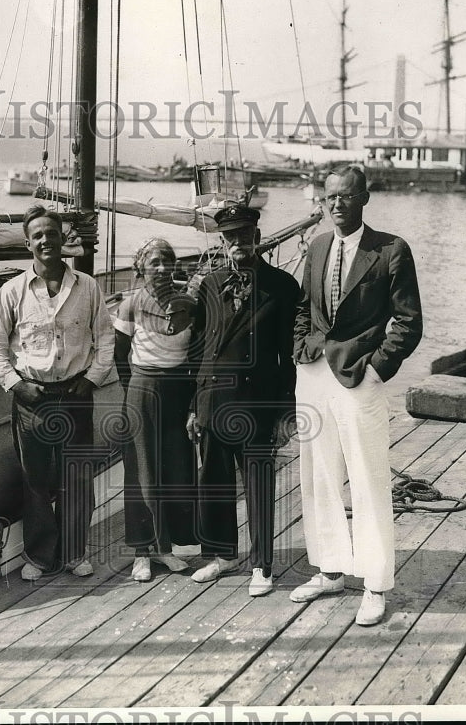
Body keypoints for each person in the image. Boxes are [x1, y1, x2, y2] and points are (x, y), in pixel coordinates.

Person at [291, 165, 422, 625]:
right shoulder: (319, 246)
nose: (336, 204)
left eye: (346, 197)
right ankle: (330, 570)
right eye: (330, 197)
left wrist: (376, 369)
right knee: (319, 476)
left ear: (364, 198)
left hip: (358, 377)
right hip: (313, 374)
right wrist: (300, 349)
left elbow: (408, 323)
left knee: (369, 480)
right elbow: (304, 309)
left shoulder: (390, 250)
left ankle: (375, 583)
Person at [0, 205, 117, 580]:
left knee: (76, 475)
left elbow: (105, 340)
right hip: (32, 398)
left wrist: (91, 380)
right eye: (38, 235)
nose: (46, 241)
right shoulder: (12, 292)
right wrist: (15, 384)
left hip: (76, 393)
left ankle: (74, 553)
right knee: (36, 479)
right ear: (28, 243)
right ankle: (40, 556)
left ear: (63, 239)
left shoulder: (87, 287)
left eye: (52, 234)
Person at [186, 204, 299, 597]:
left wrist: (287, 413)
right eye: (230, 236)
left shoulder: (282, 286)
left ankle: (262, 565)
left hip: (258, 405)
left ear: (257, 235)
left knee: (259, 484)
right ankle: (220, 554)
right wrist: (192, 407)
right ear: (221, 241)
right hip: (213, 401)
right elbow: (198, 348)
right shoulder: (210, 285)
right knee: (213, 482)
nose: (238, 242)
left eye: (244, 234)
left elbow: (290, 356)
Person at [114, 238, 197, 582]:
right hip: (142, 390)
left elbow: (197, 356)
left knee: (177, 469)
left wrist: (193, 403)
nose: (161, 269)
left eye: (167, 261)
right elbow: (120, 356)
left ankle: (166, 548)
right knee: (142, 472)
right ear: (140, 268)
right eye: (153, 262)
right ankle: (141, 553)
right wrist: (135, 393)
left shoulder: (190, 305)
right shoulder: (129, 305)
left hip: (179, 390)